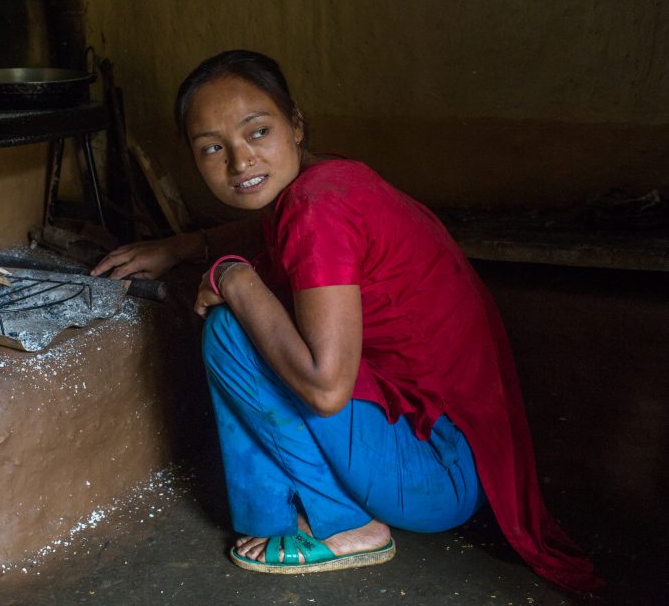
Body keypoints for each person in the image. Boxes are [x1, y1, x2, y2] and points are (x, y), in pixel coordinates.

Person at [91, 50, 601, 593]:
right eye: (213, 148)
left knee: (233, 329)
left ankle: (345, 525)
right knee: (256, 313)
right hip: (468, 456)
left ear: (296, 124)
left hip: (438, 472)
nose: (240, 162)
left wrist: (235, 279)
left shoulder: (318, 211)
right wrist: (184, 247)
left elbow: (328, 389)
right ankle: (284, 511)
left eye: (257, 132)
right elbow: (274, 225)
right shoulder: (324, 181)